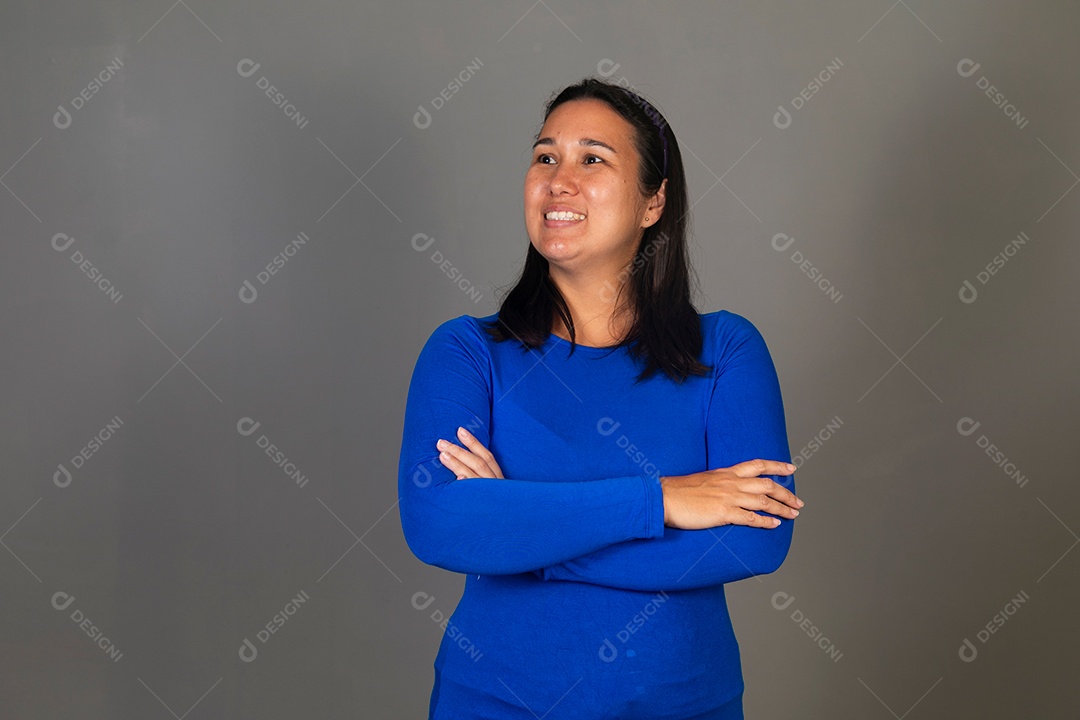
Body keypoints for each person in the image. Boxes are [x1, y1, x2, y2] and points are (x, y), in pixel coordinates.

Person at [398, 76, 803, 719]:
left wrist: (524, 537)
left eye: (592, 158)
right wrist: (664, 499)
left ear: (652, 203)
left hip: (683, 705)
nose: (559, 179)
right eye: (544, 156)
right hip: (495, 704)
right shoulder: (466, 352)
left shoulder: (725, 350)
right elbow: (439, 524)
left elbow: (754, 539)